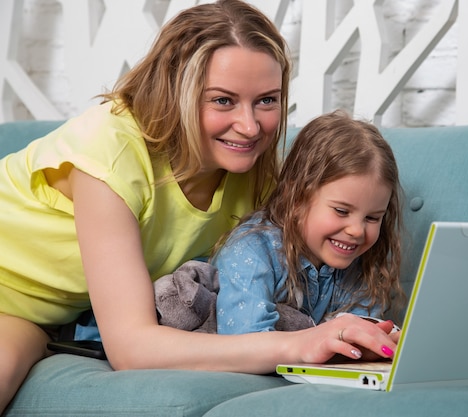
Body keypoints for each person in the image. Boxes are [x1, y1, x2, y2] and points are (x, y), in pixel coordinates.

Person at [0, 1, 399, 412]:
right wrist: (298, 345)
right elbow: (132, 347)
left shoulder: (252, 171)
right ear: (176, 93)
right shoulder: (111, 149)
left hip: (44, 318)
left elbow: (309, 275)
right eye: (223, 101)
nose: (250, 126)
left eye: (266, 100)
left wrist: (360, 333)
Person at [213, 110, 406, 337]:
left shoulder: (361, 265)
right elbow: (246, 340)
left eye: (372, 218)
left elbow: (355, 334)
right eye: (341, 211)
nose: (356, 230)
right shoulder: (253, 250)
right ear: (296, 199)